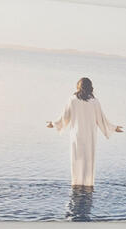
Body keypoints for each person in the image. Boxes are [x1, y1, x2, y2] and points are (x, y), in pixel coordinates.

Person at [49, 78, 122, 219]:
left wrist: (53, 124)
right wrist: (114, 128)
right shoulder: (94, 102)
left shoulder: (72, 100)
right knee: (88, 164)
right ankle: (87, 188)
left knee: (76, 162)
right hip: (89, 137)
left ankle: (76, 186)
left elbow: (64, 118)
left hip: (76, 137)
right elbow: (102, 120)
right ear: (90, 87)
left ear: (78, 87)